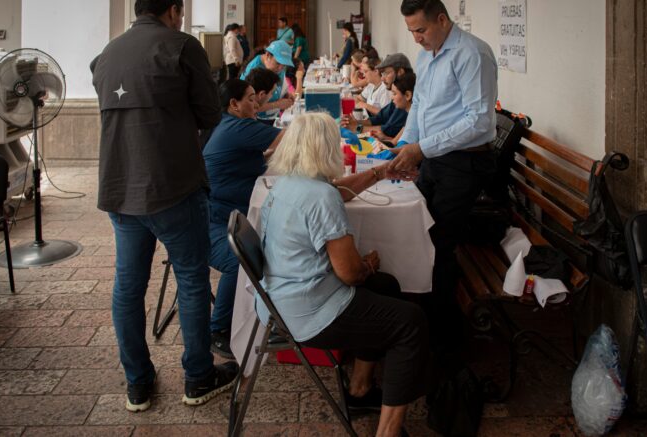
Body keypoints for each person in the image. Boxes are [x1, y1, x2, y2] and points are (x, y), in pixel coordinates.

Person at [90, 0, 238, 413]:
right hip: (171, 184)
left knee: (128, 286)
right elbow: (210, 113)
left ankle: (137, 384)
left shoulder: (107, 54)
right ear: (173, 10)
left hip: (120, 186)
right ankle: (198, 377)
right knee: (191, 279)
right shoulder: (181, 46)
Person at [260, 112, 428, 437]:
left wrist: (380, 172)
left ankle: (360, 389)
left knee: (386, 286)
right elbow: (350, 274)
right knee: (411, 322)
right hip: (308, 312)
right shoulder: (320, 197)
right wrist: (367, 265)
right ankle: (388, 432)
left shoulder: (288, 185)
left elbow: (338, 192)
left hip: (279, 300)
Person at [390, 0, 498, 352]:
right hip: (434, 156)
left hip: (464, 163)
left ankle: (445, 340)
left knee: (438, 242)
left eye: (421, 30)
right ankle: (419, 320)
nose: (416, 39)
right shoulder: (426, 56)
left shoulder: (472, 54)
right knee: (414, 228)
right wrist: (405, 144)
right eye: (411, 32)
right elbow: (420, 106)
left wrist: (421, 149)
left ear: (441, 19)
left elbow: (478, 121)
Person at [204, 79, 285, 359]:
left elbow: (260, 153)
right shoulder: (236, 127)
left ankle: (266, 314)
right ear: (234, 104)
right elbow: (291, 137)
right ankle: (219, 330)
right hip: (213, 222)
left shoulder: (234, 125)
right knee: (239, 260)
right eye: (250, 98)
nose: (257, 103)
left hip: (229, 214)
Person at [240, 40, 296, 124]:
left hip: (273, 116)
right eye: (278, 63)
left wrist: (286, 94)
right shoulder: (252, 70)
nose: (280, 68)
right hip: (256, 119)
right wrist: (277, 104)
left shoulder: (279, 67)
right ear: (268, 55)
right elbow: (247, 107)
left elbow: (278, 86)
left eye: (284, 65)